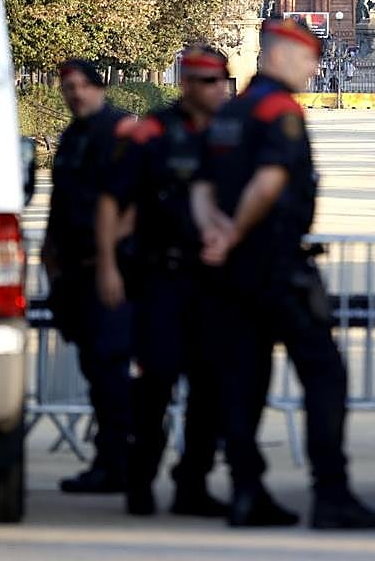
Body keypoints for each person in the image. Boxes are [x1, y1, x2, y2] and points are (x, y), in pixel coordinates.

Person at [191, 17, 375, 530]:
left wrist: (215, 232)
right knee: (325, 374)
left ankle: (245, 492)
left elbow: (201, 187)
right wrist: (235, 232)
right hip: (275, 265)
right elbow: (270, 180)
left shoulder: (229, 114)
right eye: (308, 59)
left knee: (245, 381)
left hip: (232, 272)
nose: (314, 69)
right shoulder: (280, 113)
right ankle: (332, 494)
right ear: (281, 57)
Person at [94, 46, 232, 518]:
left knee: (209, 387)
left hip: (209, 281)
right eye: (210, 82)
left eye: (222, 81)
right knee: (155, 386)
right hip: (160, 280)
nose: (220, 90)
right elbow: (112, 201)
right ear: (189, 84)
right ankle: (140, 482)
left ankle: (192, 483)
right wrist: (109, 266)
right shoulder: (151, 133)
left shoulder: (224, 133)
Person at [41, 59, 135, 494]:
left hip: (107, 270)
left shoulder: (117, 131)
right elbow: (61, 200)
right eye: (67, 86)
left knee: (110, 366)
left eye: (81, 85)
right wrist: (49, 252)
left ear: (98, 87)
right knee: (95, 367)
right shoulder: (73, 136)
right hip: (74, 269)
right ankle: (110, 461)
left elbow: (132, 204)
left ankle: (119, 463)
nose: (74, 93)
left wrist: (109, 261)